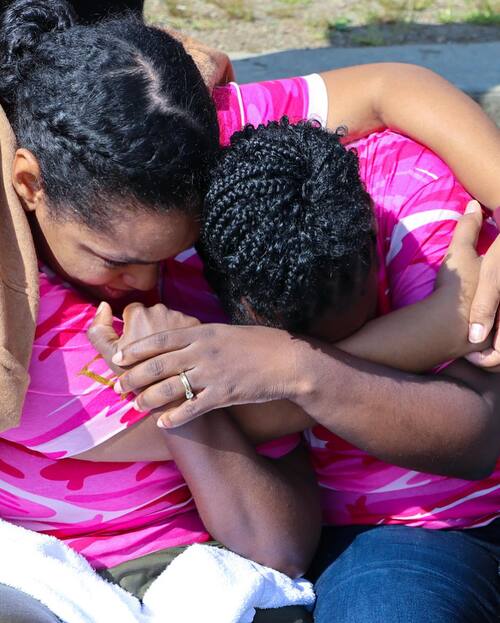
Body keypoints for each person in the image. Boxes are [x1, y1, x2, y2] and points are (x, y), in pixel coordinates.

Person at [1, 0, 500, 620]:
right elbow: (241, 402)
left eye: (175, 252)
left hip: (380, 523)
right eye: (116, 259)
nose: (150, 283)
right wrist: (432, 332)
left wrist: (289, 365)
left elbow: (389, 85)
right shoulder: (25, 326)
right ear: (29, 184)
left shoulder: (175, 144)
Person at [104, 120, 500, 621]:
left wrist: (297, 368)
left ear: (371, 247)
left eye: (349, 318)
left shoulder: (411, 196)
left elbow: (476, 437)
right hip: (346, 535)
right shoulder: (197, 246)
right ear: (238, 301)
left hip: (448, 519)